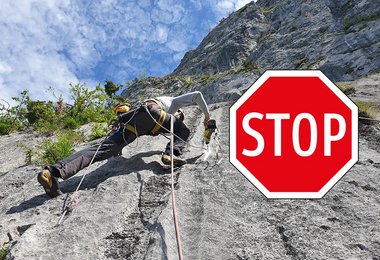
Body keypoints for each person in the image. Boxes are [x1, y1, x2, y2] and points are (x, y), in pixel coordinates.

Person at [37, 91, 211, 198]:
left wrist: (117, 149)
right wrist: (207, 116)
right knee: (184, 131)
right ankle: (171, 153)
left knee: (100, 150)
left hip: (133, 122)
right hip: (152, 113)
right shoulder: (173, 103)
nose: (178, 118)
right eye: (179, 116)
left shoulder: (159, 113)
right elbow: (197, 95)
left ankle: (52, 173)